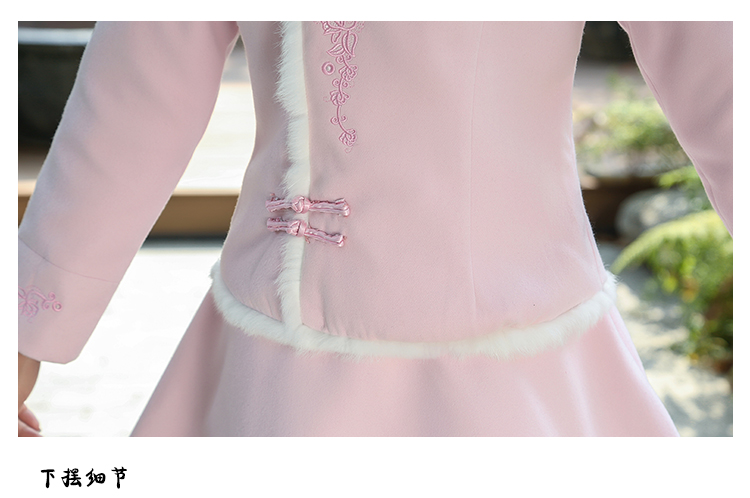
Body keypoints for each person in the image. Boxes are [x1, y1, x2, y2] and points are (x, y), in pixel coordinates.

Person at [18, 21, 732, 437]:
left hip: (525, 361)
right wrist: (23, 331)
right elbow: (139, 84)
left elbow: (723, 74)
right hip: (283, 361)